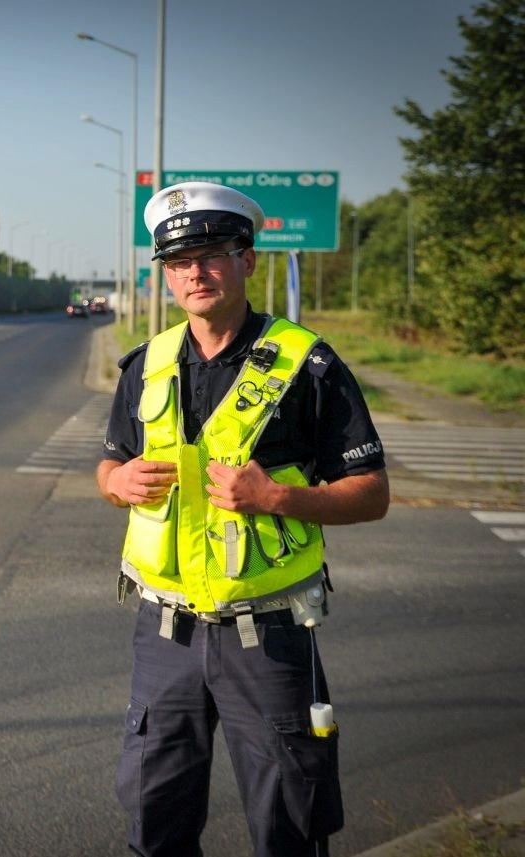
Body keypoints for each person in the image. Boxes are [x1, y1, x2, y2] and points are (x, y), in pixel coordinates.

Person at [97, 182, 390, 857]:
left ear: (248, 259)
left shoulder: (307, 365)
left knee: (289, 822)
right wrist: (116, 481)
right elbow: (108, 466)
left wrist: (280, 497)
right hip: (163, 631)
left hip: (270, 634)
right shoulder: (148, 364)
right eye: (177, 262)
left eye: (210, 255)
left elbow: (370, 492)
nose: (194, 273)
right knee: (153, 816)